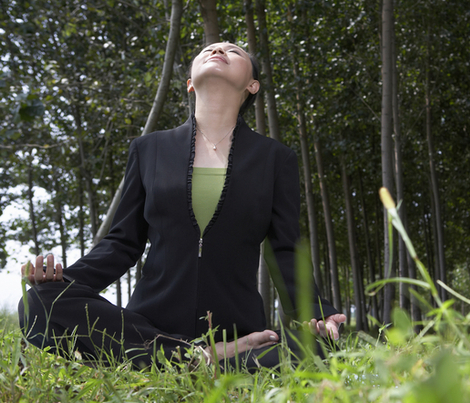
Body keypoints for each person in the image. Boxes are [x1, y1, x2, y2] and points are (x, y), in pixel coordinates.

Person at [19, 42, 346, 369]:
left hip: (239, 330)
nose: (219, 49)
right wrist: (62, 283)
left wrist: (316, 311)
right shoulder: (150, 149)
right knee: (36, 304)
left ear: (252, 85)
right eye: (211, 48)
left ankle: (181, 361)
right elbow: (122, 242)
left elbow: (284, 249)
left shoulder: (275, 159)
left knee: (318, 349)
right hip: (149, 325)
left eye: (234, 51)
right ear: (190, 82)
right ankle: (196, 357)